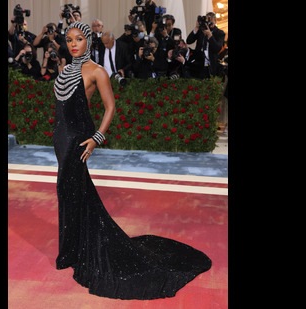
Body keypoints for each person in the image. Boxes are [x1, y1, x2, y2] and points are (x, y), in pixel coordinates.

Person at [52, 21, 212, 300]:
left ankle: (75, 251)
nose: (73, 44)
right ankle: (73, 250)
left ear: (89, 42)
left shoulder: (97, 72)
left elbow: (110, 107)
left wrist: (97, 138)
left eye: (79, 39)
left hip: (78, 139)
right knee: (69, 193)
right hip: (60, 138)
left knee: (72, 191)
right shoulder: (65, 70)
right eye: (69, 39)